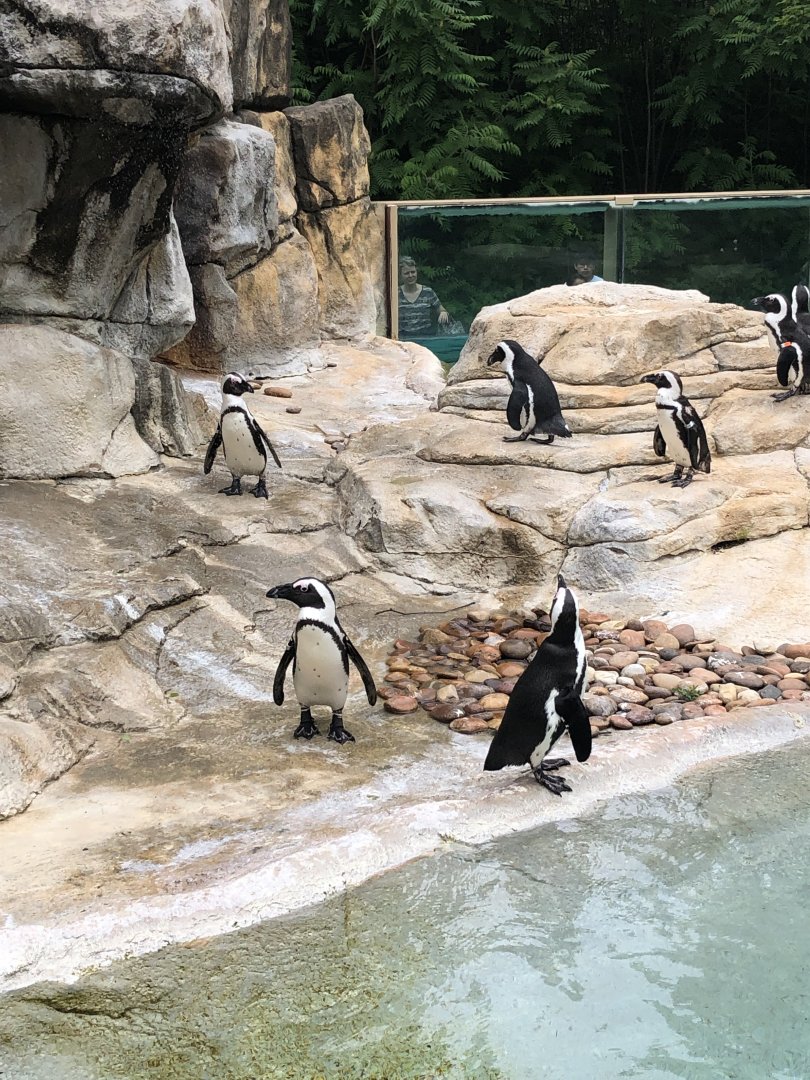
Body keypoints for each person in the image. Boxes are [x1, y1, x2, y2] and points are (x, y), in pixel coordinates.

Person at [397, 256, 451, 339]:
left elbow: (441, 309)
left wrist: (443, 312)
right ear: (400, 276)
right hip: (403, 338)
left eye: (413, 272)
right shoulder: (396, 293)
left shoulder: (427, 291)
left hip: (425, 337)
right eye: (406, 273)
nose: (411, 275)